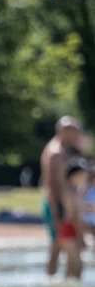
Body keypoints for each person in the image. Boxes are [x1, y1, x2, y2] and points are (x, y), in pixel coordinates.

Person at [43, 117, 85, 278]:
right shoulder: (56, 153)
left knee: (57, 247)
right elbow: (52, 185)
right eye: (75, 133)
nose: (77, 137)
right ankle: (60, 284)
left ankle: (53, 281)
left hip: (61, 205)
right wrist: (56, 214)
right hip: (58, 205)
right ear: (64, 132)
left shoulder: (62, 149)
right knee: (64, 250)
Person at [54, 159, 88, 280]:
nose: (85, 177)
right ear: (73, 176)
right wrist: (80, 236)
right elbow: (73, 216)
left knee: (72, 264)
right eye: (82, 175)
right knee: (78, 264)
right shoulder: (69, 193)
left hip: (69, 229)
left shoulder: (75, 191)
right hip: (69, 229)